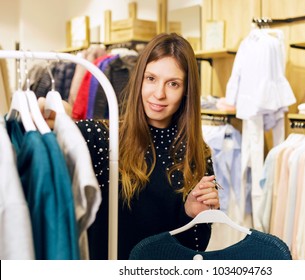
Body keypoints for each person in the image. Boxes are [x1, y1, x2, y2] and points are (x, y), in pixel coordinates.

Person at [40, 33, 220, 260]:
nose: (159, 94)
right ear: (139, 81)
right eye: (151, 79)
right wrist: (50, 113)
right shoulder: (102, 138)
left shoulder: (197, 154)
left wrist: (191, 216)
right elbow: (59, 128)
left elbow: (196, 250)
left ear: (186, 91)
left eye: (173, 84)